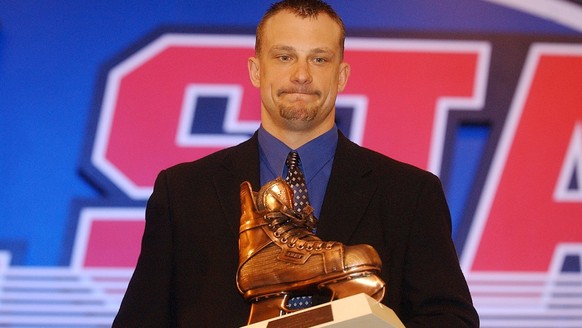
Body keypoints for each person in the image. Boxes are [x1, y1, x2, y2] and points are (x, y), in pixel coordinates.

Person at [112, 0, 480, 327]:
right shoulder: (183, 192)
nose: (301, 75)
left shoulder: (411, 193)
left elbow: (452, 318)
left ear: (342, 76)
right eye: (284, 56)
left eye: (319, 59)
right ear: (256, 71)